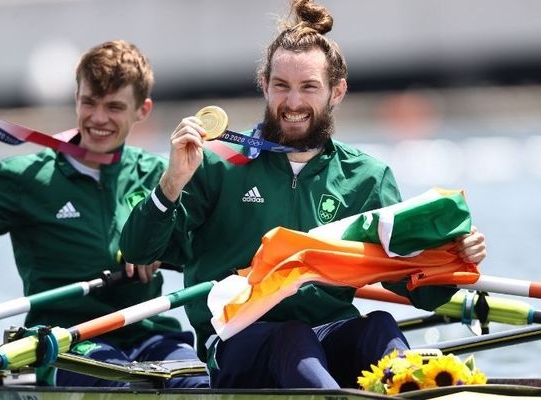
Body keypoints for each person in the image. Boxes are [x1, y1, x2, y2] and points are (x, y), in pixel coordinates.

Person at [119, 0, 487, 390]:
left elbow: (421, 293)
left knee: (378, 324)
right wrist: (172, 182)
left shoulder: (367, 177)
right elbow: (140, 251)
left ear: (337, 91)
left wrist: (455, 257)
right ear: (265, 86)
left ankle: (423, 391)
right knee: (292, 335)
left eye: (308, 87)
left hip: (327, 336)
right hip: (237, 340)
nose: (293, 103)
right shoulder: (216, 164)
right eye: (281, 86)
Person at [0, 40, 208, 388]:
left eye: (113, 107)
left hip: (149, 332)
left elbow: (204, 250)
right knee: (119, 386)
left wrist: (161, 249)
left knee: (198, 387)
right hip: (65, 340)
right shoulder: (26, 177)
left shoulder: (164, 173)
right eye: (89, 102)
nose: (98, 118)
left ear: (142, 110)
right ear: (76, 98)